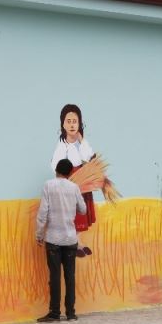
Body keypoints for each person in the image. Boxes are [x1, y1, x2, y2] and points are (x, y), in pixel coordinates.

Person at [36, 158, 88, 322]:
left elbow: (43, 213)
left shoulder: (48, 185)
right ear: (70, 172)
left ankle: (55, 313)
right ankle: (71, 313)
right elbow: (83, 209)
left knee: (55, 276)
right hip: (70, 239)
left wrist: (39, 235)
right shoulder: (74, 187)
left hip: (53, 239)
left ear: (56, 170)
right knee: (70, 276)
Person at [50, 104, 96, 257]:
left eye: (74, 121)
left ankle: (78, 242)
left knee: (81, 215)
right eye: (68, 121)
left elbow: (90, 157)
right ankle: (72, 244)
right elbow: (55, 165)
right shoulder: (62, 145)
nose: (71, 125)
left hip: (82, 182)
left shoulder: (81, 143)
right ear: (63, 124)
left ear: (80, 123)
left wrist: (82, 140)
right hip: (70, 182)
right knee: (72, 215)